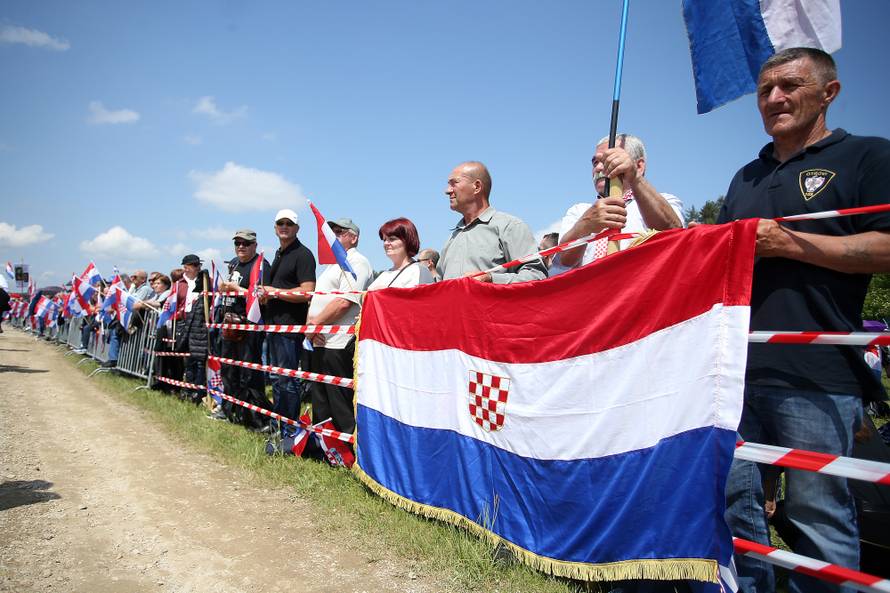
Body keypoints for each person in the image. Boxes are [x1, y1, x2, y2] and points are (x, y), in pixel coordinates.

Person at [717, 47, 890, 593]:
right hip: (737, 369)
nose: (774, 98)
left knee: (819, 513)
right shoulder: (745, 177)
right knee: (733, 502)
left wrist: (789, 244)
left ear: (828, 93)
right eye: (764, 90)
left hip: (819, 371)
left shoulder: (868, 156)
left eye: (789, 86)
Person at [550, 134, 684, 276]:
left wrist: (634, 177)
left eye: (609, 160)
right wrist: (585, 226)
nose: (598, 168)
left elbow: (674, 233)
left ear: (639, 166)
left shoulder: (665, 201)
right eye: (595, 162)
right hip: (593, 289)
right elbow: (564, 261)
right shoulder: (579, 211)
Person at [306, 218, 372, 437]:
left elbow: (345, 302)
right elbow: (317, 299)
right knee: (320, 398)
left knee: (339, 401)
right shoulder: (332, 265)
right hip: (321, 339)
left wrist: (315, 325)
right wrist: (312, 328)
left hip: (339, 342)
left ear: (354, 237)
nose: (333, 235)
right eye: (332, 231)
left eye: (340, 232)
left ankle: (346, 446)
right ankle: (322, 443)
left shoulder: (357, 261)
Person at [257, 209, 316, 436]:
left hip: (289, 327)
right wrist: (267, 296)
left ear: (297, 228)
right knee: (277, 379)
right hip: (274, 325)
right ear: (275, 228)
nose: (284, 227)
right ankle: (278, 426)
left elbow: (307, 291)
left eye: (289, 223)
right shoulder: (279, 254)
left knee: (287, 380)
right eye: (280, 223)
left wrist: (275, 292)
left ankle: (290, 431)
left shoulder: (303, 254)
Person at [438, 161, 546, 283]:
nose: (447, 191)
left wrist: (491, 279)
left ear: (477, 187)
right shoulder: (452, 239)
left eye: (454, 183)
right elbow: (438, 284)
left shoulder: (510, 227)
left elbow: (536, 276)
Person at [215, 229, 272, 429]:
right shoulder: (234, 263)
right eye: (237, 243)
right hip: (229, 325)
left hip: (249, 327)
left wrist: (236, 289)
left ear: (254, 245)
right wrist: (224, 288)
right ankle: (231, 411)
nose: (241, 246)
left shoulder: (261, 265)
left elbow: (262, 296)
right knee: (229, 371)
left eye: (246, 243)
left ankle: (256, 418)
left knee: (250, 374)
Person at [367, 218, 434, 290]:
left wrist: (388, 293)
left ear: (407, 241)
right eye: (384, 239)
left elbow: (426, 296)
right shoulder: (384, 275)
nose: (386, 243)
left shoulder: (419, 270)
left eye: (392, 239)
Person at [177, 255, 207, 404]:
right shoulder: (180, 283)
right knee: (188, 360)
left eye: (190, 266)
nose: (187, 269)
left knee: (199, 361)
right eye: (186, 266)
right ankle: (188, 388)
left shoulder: (205, 281)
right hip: (185, 322)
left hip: (200, 325)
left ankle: (198, 392)